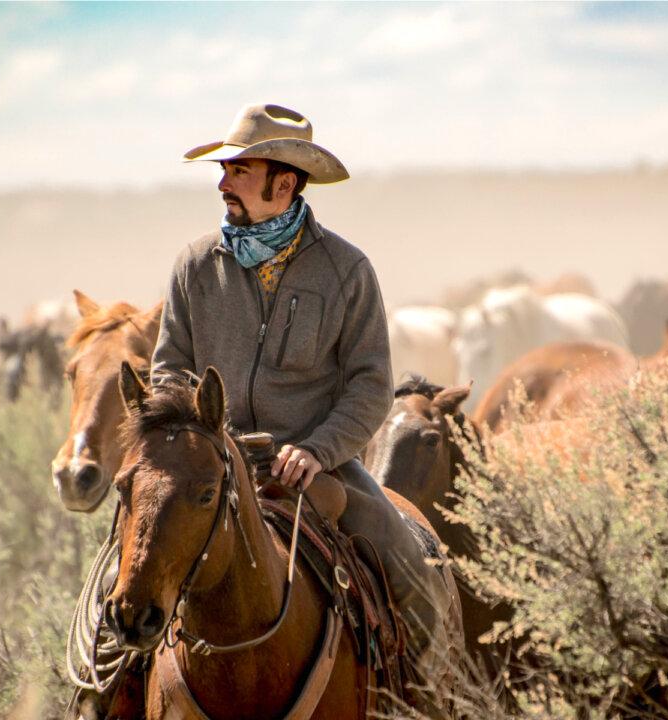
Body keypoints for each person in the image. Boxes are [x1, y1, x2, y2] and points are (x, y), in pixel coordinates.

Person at [152, 103, 456, 665]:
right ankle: (96, 695)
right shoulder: (195, 266)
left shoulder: (346, 270)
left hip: (320, 467)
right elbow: (168, 369)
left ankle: (420, 701)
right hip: (209, 465)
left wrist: (317, 450)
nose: (222, 183)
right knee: (121, 582)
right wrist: (195, 441)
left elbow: (369, 386)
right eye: (224, 170)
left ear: (285, 183)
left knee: (414, 578)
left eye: (239, 170)